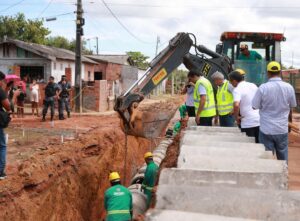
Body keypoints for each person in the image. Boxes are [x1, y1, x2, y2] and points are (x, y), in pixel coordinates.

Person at [252, 61, 297, 161]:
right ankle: (283, 175)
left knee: (267, 159)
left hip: (266, 130)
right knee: (283, 157)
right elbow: (292, 106)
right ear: (280, 72)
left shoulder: (263, 88)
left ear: (268, 72)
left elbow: (254, 106)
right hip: (282, 129)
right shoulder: (289, 87)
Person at [229, 69, 260, 143]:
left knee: (249, 146)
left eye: (230, 81)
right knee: (259, 145)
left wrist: (236, 117)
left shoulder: (237, 90)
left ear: (234, 81)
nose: (230, 83)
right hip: (259, 120)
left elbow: (236, 105)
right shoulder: (253, 85)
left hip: (248, 122)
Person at [0, 72, 11, 180]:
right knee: (2, 146)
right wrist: (15, 96)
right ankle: (0, 173)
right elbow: (8, 106)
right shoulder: (0, 91)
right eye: (3, 81)